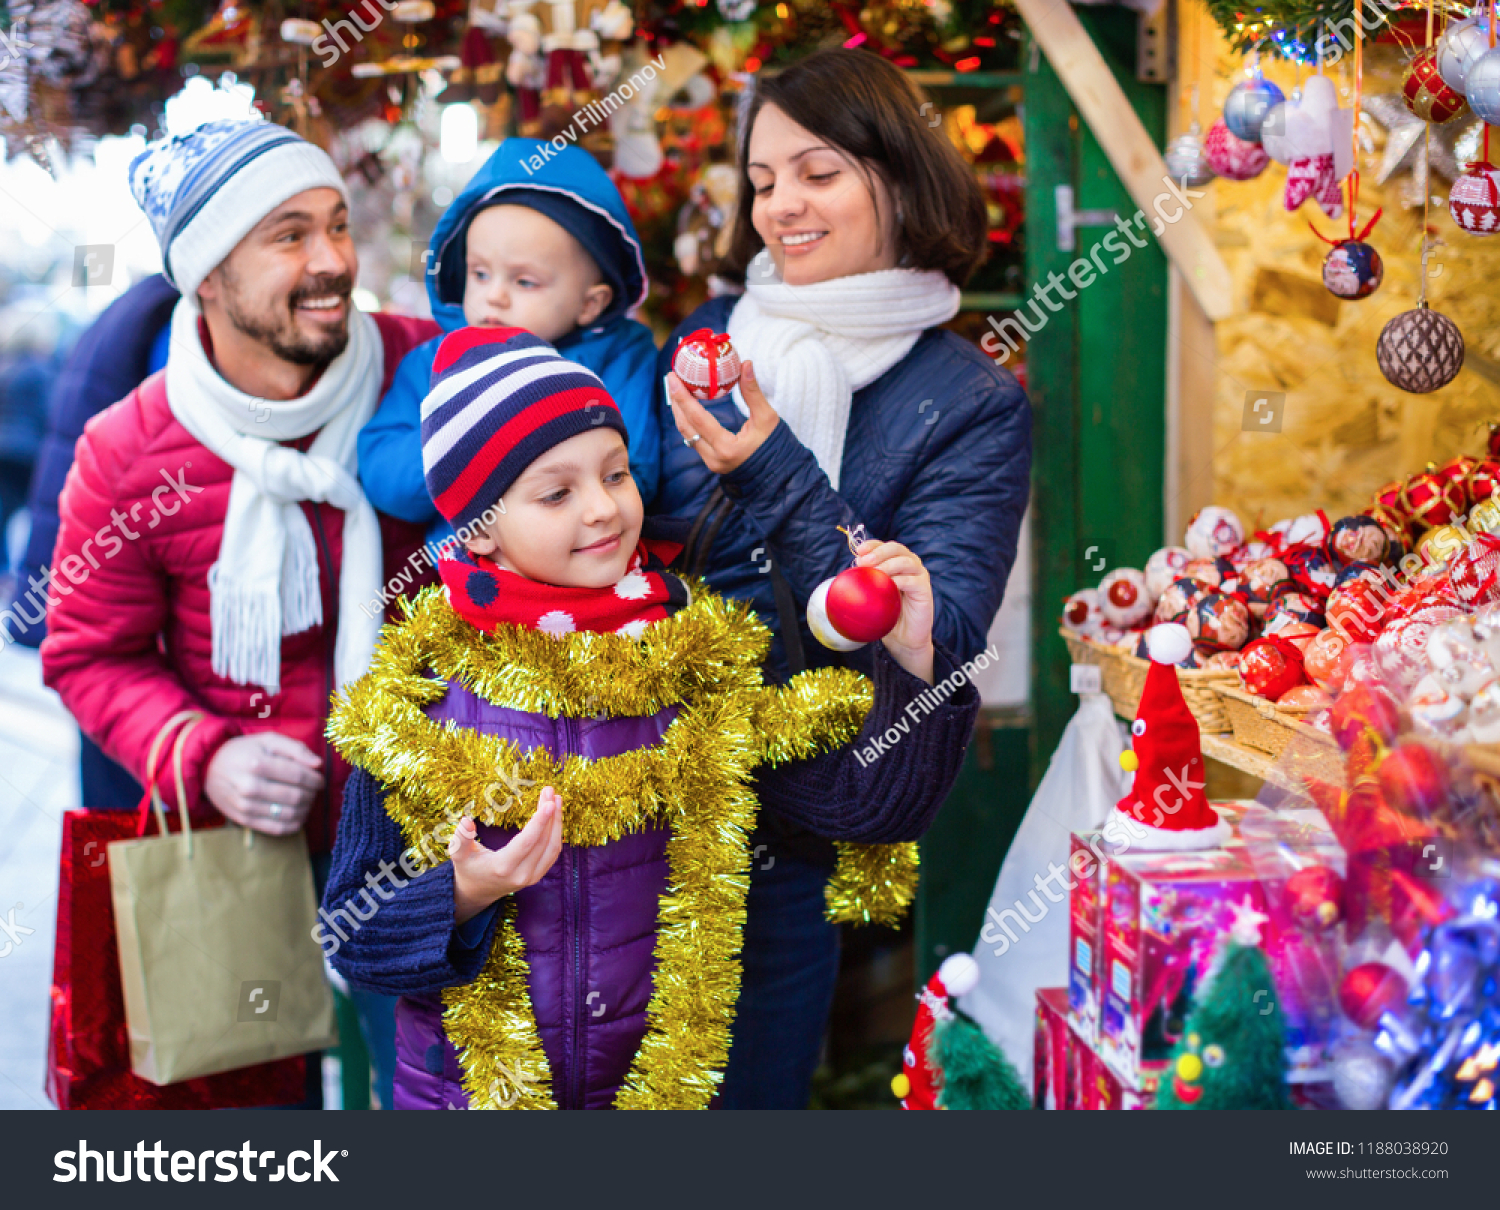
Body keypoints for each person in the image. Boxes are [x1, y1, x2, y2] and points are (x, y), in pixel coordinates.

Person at [320, 326, 981, 1109]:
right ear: (482, 526)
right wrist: (462, 893)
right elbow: (352, 937)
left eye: (617, 474)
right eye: (557, 492)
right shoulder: (422, 690)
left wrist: (912, 663)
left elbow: (868, 810)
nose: (604, 509)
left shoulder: (690, 667)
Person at [653, 49, 1033, 1107]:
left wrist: (774, 462)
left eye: (816, 172)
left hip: (785, 838)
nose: (781, 207)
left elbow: (938, 641)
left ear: (898, 178)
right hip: (628, 807)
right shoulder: (707, 350)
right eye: (764, 181)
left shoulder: (969, 403)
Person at [40, 119, 440, 1108]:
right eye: (289, 235)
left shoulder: (425, 371)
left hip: (418, 819)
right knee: (244, 1114)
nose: (333, 261)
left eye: (338, 226)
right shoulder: (127, 448)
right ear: (206, 278)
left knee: (437, 1089)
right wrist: (203, 751)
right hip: (231, 837)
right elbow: (88, 653)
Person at [357, 137, 661, 545]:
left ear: (590, 304)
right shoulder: (431, 363)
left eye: (524, 281)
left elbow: (636, 472)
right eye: (480, 274)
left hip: (589, 576)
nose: (493, 296)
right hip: (463, 591)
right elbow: (382, 477)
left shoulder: (622, 356)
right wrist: (465, 440)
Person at [4, 273, 179, 809]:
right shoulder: (168, 326)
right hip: (132, 607)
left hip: (99, 580)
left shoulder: (126, 315)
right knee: (126, 824)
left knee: (112, 818)